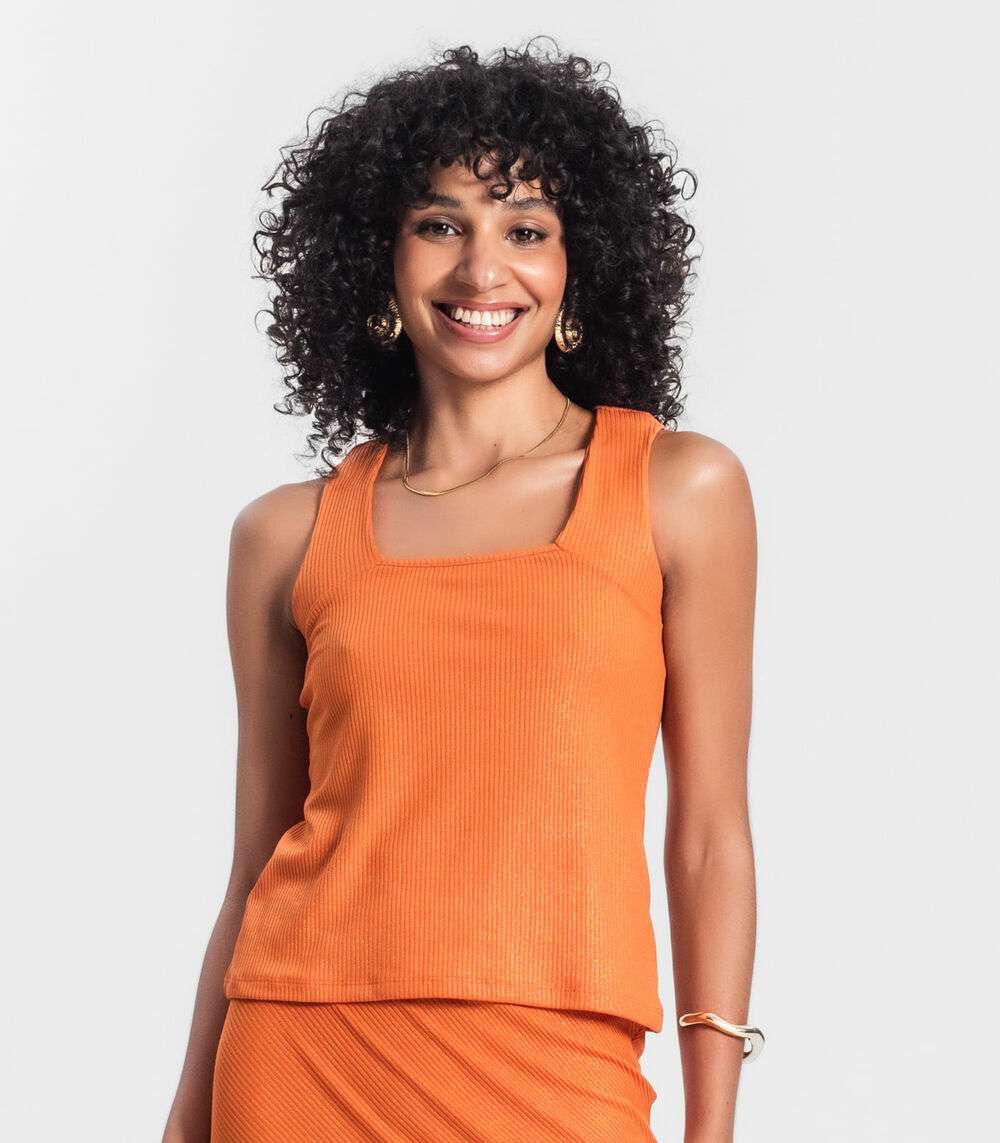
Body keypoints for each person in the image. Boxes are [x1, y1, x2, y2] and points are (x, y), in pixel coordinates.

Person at [163, 37, 760, 1143]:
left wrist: (712, 1126)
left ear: (580, 263)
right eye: (440, 225)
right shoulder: (285, 535)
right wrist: (185, 1121)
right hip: (300, 1056)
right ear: (377, 260)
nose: (483, 272)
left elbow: (709, 838)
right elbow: (254, 864)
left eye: (525, 230)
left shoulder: (677, 489)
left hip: (558, 1067)